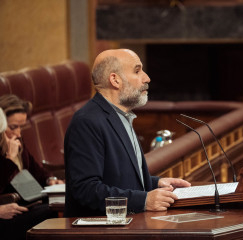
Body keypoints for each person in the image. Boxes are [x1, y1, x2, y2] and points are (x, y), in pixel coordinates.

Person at [64, 49, 191, 217]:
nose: (147, 78)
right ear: (115, 80)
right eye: (137, 71)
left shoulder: (121, 116)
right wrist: (144, 200)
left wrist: (154, 183)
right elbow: (86, 189)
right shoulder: (87, 121)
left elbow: (117, 177)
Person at [0, 95, 63, 240]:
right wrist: (9, 159)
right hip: (10, 211)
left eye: (21, 127)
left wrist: (50, 179)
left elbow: (36, 171)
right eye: (13, 127)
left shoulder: (18, 141)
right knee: (52, 213)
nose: (18, 133)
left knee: (63, 204)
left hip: (28, 203)